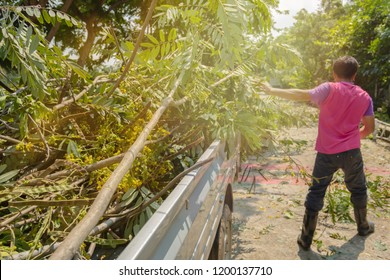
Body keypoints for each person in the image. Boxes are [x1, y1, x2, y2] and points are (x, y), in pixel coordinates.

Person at [260, 56, 375, 251]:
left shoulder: (328, 89)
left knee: (316, 191)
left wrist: (271, 91)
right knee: (359, 189)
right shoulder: (365, 97)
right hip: (352, 153)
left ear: (334, 73)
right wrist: (354, 138)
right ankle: (363, 227)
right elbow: (369, 128)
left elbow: (299, 94)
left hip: (326, 153)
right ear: (355, 74)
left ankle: (305, 238)